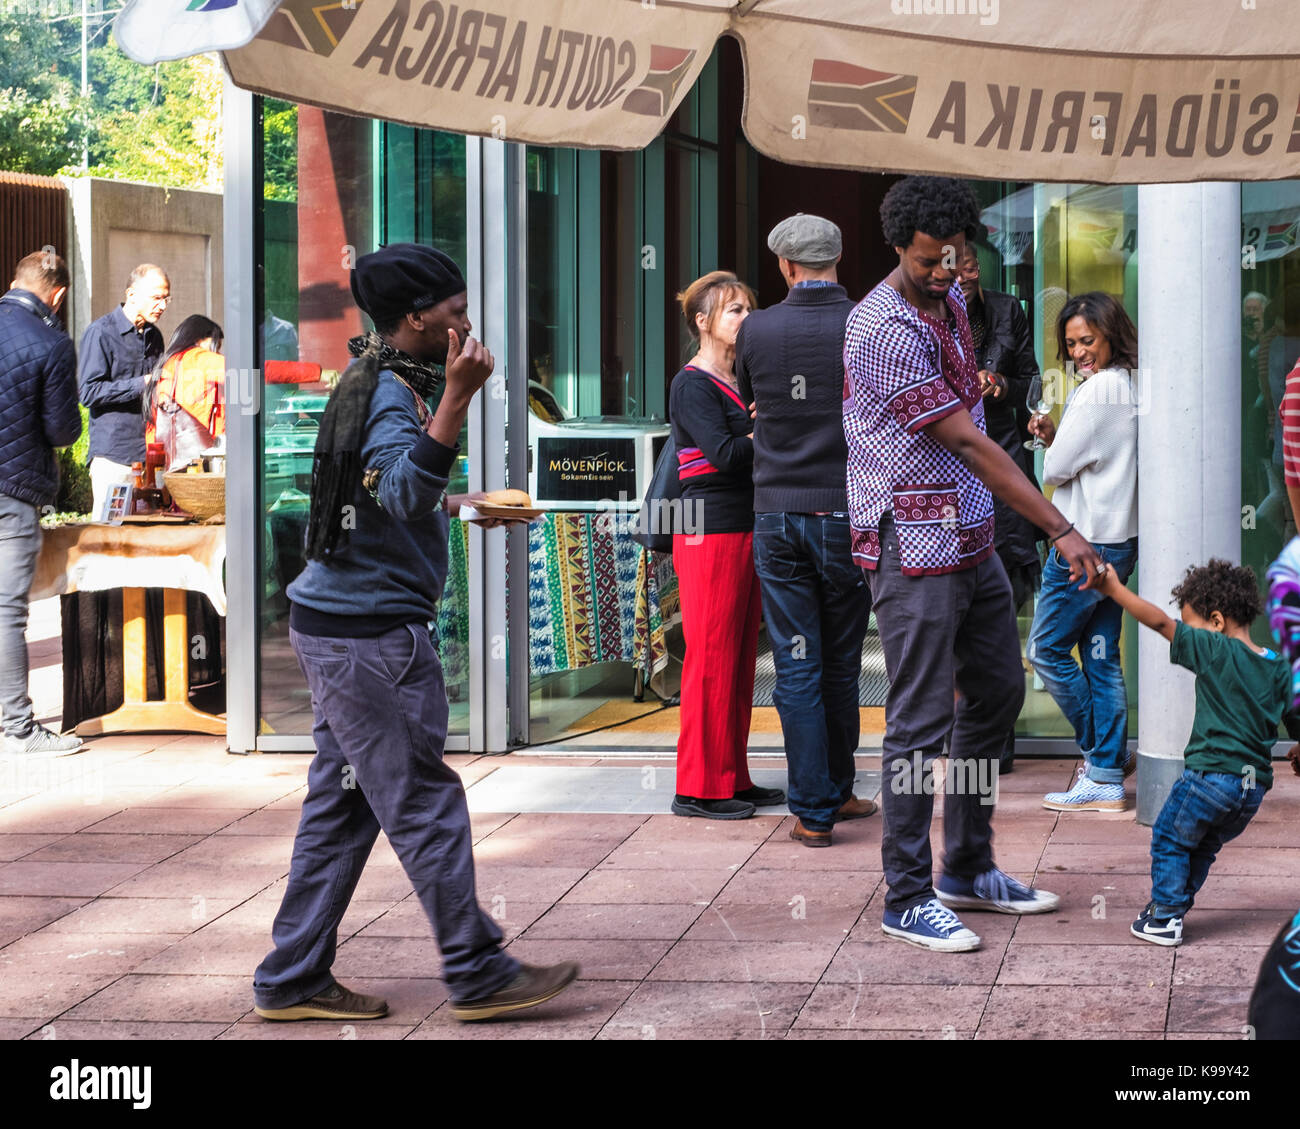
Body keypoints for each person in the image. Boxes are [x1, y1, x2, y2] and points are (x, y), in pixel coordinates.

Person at [253, 243, 578, 1022]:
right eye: (453, 313)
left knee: (344, 806)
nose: (465, 325)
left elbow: (378, 493)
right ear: (413, 319)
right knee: (425, 801)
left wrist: (464, 502)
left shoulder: (370, 375)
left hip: (336, 625)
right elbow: (399, 491)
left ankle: (291, 975)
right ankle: (477, 969)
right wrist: (460, 399)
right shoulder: (400, 392)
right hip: (371, 640)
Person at [843, 176, 1101, 953]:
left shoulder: (954, 298)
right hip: (909, 540)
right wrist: (1061, 527)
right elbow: (964, 436)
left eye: (954, 257)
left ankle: (968, 863)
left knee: (995, 690)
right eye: (928, 260)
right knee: (918, 719)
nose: (944, 271)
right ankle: (907, 892)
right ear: (897, 247)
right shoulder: (879, 328)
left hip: (970, 531)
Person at [735, 214, 874, 846]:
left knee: (796, 660)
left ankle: (812, 810)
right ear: (838, 258)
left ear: (787, 267)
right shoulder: (870, 318)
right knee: (843, 661)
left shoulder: (757, 328)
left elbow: (753, 406)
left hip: (776, 514)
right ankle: (837, 792)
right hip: (847, 511)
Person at [1095, 559, 1298, 946]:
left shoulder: (1214, 648)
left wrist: (1114, 590)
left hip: (1210, 778)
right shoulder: (1278, 669)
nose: (1188, 633)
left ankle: (1166, 917)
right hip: (1250, 792)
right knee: (1202, 846)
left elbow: (1158, 623)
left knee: (1170, 837)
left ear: (1217, 621)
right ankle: (1168, 909)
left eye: (1193, 624)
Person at [1029, 293, 1141, 811]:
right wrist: (1058, 436)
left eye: (1087, 340)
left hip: (1083, 540)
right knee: (1101, 658)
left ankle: (1103, 762)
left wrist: (1053, 443)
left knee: (1046, 651)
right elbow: (1087, 456)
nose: (1078, 352)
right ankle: (1108, 769)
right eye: (1071, 344)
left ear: (1111, 334)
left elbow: (1054, 471)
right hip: (1118, 541)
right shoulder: (1133, 383)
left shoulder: (1099, 391)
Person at [669, 270, 770, 820]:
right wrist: (769, 433)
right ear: (702, 322)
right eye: (734, 310)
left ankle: (733, 776)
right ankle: (698, 788)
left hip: (743, 526)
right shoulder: (692, 384)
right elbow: (728, 456)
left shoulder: (740, 379)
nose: (745, 319)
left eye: (749, 309)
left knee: (737, 660)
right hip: (709, 530)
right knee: (709, 660)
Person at [955, 241, 1044, 774]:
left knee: (1001, 605)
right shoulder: (917, 315)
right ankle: (960, 738)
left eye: (971, 263)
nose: (966, 271)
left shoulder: (1009, 311)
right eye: (954, 262)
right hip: (948, 478)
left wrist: (1002, 384)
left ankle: (995, 744)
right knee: (949, 612)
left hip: (1002, 470)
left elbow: (1032, 381)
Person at [0, 251, 83, 756]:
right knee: (7, 610)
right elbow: (61, 430)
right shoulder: (51, 342)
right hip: (13, 490)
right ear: (57, 294)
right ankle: (19, 728)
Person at [79, 264, 169, 515]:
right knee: (109, 538)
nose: (162, 305)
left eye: (166, 299)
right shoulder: (100, 333)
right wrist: (142, 383)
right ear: (131, 295)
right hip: (113, 458)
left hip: (149, 459)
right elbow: (88, 393)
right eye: (156, 298)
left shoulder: (154, 336)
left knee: (146, 540)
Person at [145, 315, 225, 467]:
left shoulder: (165, 364)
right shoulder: (200, 358)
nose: (218, 354)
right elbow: (246, 371)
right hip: (198, 463)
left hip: (166, 463)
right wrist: (285, 371)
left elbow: (152, 427)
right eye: (216, 346)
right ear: (199, 340)